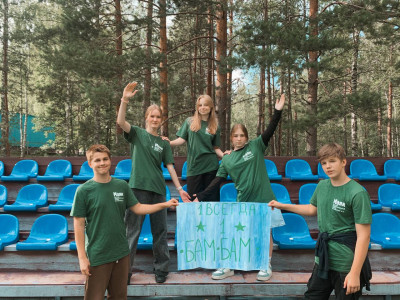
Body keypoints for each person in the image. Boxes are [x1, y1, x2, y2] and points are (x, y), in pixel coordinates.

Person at [194, 93, 286, 281]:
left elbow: (270, 130)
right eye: (235, 135)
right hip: (243, 202)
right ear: (231, 138)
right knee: (236, 233)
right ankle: (229, 266)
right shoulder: (227, 159)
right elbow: (216, 182)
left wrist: (277, 112)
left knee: (264, 233)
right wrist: (200, 196)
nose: (238, 138)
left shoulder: (256, 146)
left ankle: (265, 265)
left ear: (246, 136)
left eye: (242, 135)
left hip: (264, 199)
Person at [71, 144, 179, 300]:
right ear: (90, 163)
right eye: (97, 160)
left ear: (110, 161)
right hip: (98, 254)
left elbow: (139, 207)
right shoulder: (83, 191)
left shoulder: (121, 186)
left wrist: (164, 204)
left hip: (121, 254)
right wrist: (82, 258)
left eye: (105, 159)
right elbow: (79, 225)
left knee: (119, 297)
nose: (102, 163)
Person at [269, 143, 372, 299]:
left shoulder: (357, 193)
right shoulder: (322, 186)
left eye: (332, 161)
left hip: (346, 265)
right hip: (322, 261)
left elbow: (364, 237)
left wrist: (355, 273)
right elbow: (312, 209)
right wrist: (281, 205)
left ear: (343, 162)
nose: (327, 166)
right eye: (323, 163)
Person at [117, 81, 190, 284]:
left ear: (161, 120)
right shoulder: (137, 134)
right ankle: (125, 273)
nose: (155, 119)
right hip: (137, 190)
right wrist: (124, 99)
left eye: (158, 117)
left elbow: (170, 167)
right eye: (152, 116)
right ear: (146, 118)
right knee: (132, 232)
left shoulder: (164, 143)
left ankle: (161, 270)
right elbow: (121, 121)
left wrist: (179, 189)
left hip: (159, 192)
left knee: (160, 232)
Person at [168, 94, 225, 202]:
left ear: (211, 107)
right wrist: (169, 143)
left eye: (206, 105)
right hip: (194, 167)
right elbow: (182, 139)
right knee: (192, 200)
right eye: (200, 105)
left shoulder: (215, 125)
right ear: (197, 107)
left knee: (211, 200)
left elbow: (215, 147)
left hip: (211, 167)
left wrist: (224, 155)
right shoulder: (189, 121)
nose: (202, 107)